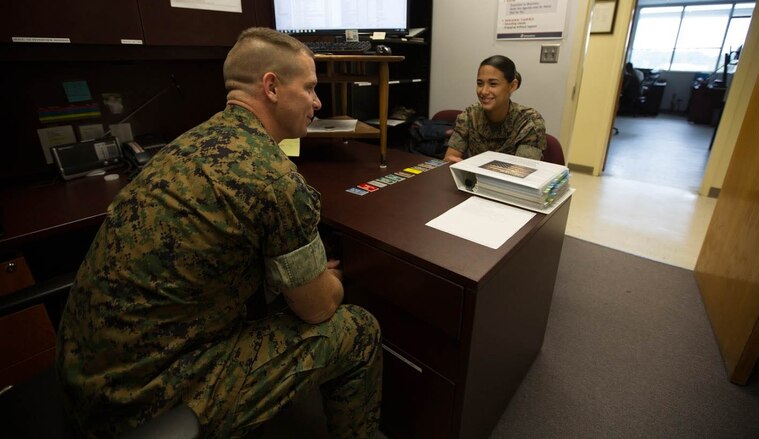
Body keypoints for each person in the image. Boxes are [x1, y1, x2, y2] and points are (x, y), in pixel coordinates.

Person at [56, 27, 382, 438]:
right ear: (272, 87)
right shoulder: (273, 178)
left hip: (81, 380)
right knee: (357, 330)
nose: (318, 102)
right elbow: (316, 309)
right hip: (138, 408)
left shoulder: (184, 144)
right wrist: (330, 281)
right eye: (311, 88)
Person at [443, 55, 547, 163]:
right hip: (473, 179)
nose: (483, 91)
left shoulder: (529, 122)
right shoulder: (470, 116)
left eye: (493, 84)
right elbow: (450, 159)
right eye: (480, 83)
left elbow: (522, 172)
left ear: (512, 86)